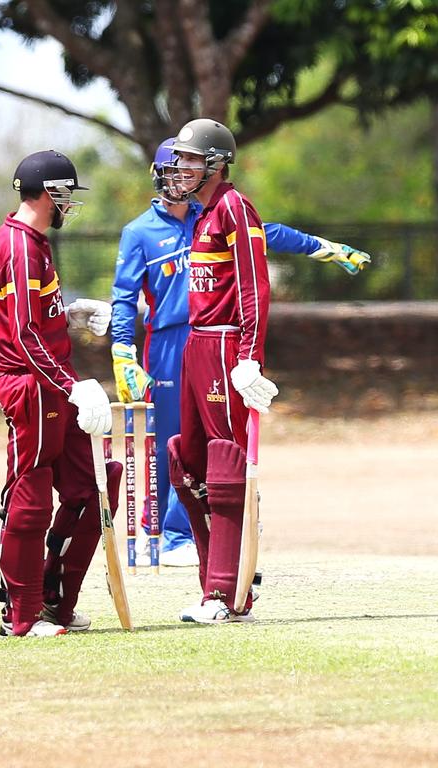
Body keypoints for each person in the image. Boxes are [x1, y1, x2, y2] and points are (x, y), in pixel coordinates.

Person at [111, 139, 371, 567]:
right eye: (173, 170)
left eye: (187, 168)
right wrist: (123, 351)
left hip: (215, 339)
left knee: (219, 436)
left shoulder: (210, 215)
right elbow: (123, 298)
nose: (180, 178)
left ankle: (207, 526)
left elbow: (267, 236)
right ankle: (164, 534)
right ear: (159, 176)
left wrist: (322, 247)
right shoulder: (139, 232)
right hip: (168, 342)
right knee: (172, 438)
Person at [0, 149, 116, 638]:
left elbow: (36, 316)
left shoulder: (33, 242)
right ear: (52, 192)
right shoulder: (19, 246)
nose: (69, 205)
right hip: (34, 385)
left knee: (92, 489)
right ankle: (21, 614)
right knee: (31, 497)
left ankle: (55, 600)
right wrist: (71, 384)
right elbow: (21, 333)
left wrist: (70, 314)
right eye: (66, 195)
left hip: (53, 383)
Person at [155, 118, 281, 624]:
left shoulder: (234, 208)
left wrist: (250, 354)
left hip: (227, 343)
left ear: (214, 163)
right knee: (186, 461)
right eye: (178, 159)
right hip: (194, 343)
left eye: (189, 159)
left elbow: (255, 286)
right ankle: (215, 580)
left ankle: (229, 594)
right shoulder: (202, 215)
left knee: (227, 464)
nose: (179, 168)